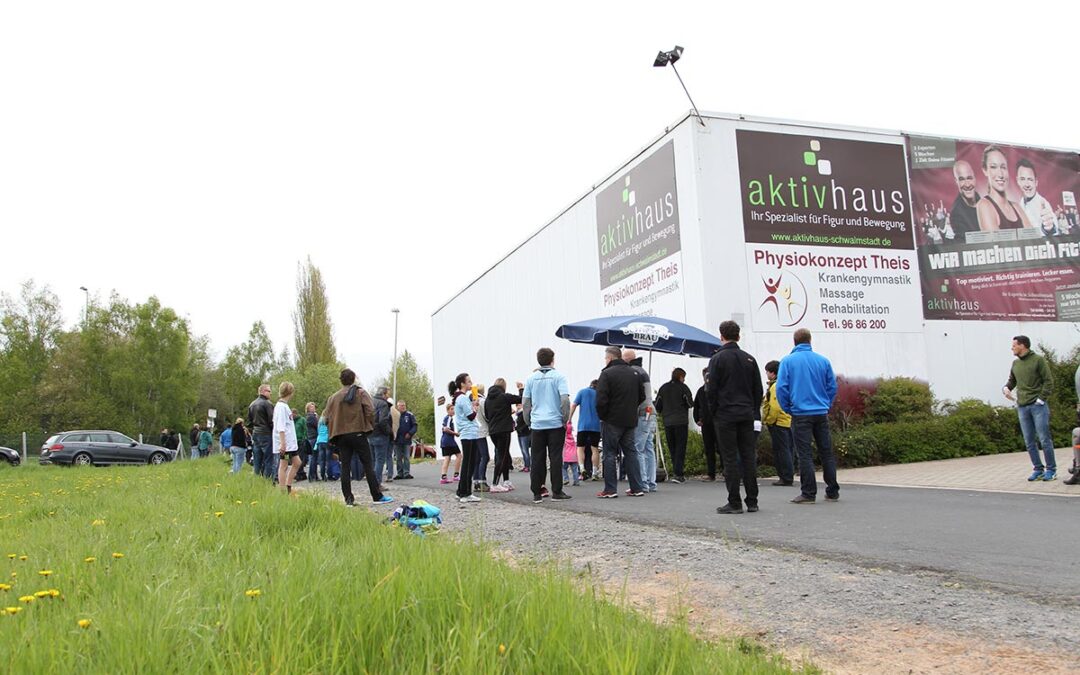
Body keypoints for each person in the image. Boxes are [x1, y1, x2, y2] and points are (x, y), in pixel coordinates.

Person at [776, 328, 840, 504]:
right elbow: (832, 386)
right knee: (826, 452)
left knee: (804, 454)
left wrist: (788, 408)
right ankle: (832, 491)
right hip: (820, 412)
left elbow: (781, 388)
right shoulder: (823, 361)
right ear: (810, 341)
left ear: (794, 341)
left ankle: (808, 493)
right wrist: (826, 403)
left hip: (800, 413)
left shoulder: (787, 361)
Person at [707, 320, 763, 514]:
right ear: (738, 336)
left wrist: (714, 411)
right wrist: (753, 410)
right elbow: (758, 390)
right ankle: (752, 501)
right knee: (748, 456)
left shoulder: (717, 359)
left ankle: (734, 501)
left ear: (721, 336)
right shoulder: (749, 359)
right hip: (746, 413)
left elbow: (711, 390)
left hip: (726, 414)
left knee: (730, 458)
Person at [323, 368, 392, 506]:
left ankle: (348, 500)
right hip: (358, 432)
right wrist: (369, 425)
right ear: (353, 379)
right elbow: (371, 411)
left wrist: (334, 430)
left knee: (345, 467)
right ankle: (377, 496)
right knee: (368, 464)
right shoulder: (360, 393)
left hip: (340, 435)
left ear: (341, 380)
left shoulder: (333, 398)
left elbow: (326, 417)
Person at [1003, 335, 1056, 481]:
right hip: (1022, 407)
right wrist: (1006, 388)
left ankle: (1051, 470)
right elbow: (1012, 381)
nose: (1012, 348)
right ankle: (1038, 469)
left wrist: (1041, 399)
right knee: (1029, 441)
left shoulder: (1038, 360)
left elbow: (1049, 381)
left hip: (1038, 406)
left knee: (1044, 439)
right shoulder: (1015, 364)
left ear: (1022, 346)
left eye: (1014, 345)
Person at [523, 347, 572, 504]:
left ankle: (537, 493)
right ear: (552, 360)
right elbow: (565, 400)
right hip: (555, 423)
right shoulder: (559, 377)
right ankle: (557, 491)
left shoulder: (531, 379)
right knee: (556, 457)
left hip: (537, 424)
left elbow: (526, 403)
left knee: (537, 458)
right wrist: (565, 419)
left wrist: (528, 421)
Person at [595, 345, 646, 498]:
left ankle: (610, 489)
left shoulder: (606, 374)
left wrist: (603, 415)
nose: (605, 361)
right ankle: (637, 487)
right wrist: (630, 408)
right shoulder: (634, 373)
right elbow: (642, 396)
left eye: (605, 358)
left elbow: (601, 399)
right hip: (630, 419)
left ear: (610, 358)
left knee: (609, 453)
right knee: (631, 453)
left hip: (611, 420)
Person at [976, 145, 1034, 231]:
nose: (1000, 174)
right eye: (993, 167)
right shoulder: (984, 205)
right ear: (985, 170)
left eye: (1003, 167)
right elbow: (996, 240)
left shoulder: (1016, 207)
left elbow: (1033, 236)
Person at [623, 349, 657, 492]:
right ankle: (651, 482)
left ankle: (642, 483)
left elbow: (635, 395)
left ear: (626, 359)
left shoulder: (633, 372)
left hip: (642, 413)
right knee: (648, 448)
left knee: (638, 448)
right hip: (651, 411)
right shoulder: (642, 371)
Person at [656, 367, 694, 484]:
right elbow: (690, 403)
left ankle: (675, 472)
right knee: (680, 447)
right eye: (684, 377)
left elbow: (657, 406)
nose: (684, 380)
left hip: (668, 421)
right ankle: (679, 474)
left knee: (672, 447)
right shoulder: (683, 388)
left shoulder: (663, 388)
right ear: (681, 377)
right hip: (681, 421)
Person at [485, 378, 523, 491]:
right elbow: (521, 399)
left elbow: (487, 415)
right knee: (502, 456)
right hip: (504, 430)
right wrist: (521, 389)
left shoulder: (488, 400)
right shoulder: (504, 397)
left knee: (504, 455)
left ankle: (506, 481)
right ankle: (495, 483)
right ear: (504, 387)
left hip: (493, 430)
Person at [762, 360, 794, 486]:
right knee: (788, 448)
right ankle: (788, 475)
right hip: (787, 420)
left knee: (781, 450)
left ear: (773, 373)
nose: (766, 374)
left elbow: (775, 407)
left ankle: (785, 477)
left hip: (778, 422)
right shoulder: (786, 383)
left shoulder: (775, 387)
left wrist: (769, 420)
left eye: (767, 372)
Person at [452, 374, 483, 503]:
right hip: (469, 433)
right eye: (469, 381)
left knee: (467, 462)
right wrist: (475, 408)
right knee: (469, 464)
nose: (471, 383)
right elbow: (470, 416)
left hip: (467, 433)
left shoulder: (459, 398)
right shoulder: (463, 398)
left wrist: (472, 405)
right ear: (462, 384)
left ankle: (461, 491)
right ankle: (466, 493)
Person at [1015, 159, 1058, 236]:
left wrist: (1049, 229)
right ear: (1018, 181)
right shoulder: (1020, 203)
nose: (1027, 184)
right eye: (1022, 179)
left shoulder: (1043, 203)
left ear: (1036, 182)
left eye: (1030, 179)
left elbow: (1053, 229)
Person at [570, 380, 601, 481]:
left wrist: (569, 419)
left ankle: (582, 468)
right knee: (594, 449)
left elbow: (573, 405)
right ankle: (595, 473)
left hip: (583, 425)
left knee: (580, 448)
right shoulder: (599, 395)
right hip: (596, 426)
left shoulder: (582, 392)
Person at [692, 367, 720, 481]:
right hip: (706, 423)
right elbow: (696, 406)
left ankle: (726, 471)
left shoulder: (719, 389)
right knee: (709, 449)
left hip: (719, 422)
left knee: (722, 447)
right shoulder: (701, 391)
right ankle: (711, 473)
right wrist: (697, 419)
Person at [247, 384, 275, 479]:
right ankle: (267, 480)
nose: (270, 393)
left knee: (257, 459)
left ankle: (256, 479)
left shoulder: (252, 404)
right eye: (269, 391)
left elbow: (249, 421)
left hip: (256, 433)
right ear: (263, 391)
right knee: (268, 459)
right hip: (266, 433)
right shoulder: (267, 404)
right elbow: (271, 420)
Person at [948, 159, 982, 237]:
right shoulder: (956, 214)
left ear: (974, 178)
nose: (967, 185)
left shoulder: (981, 200)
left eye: (969, 178)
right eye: (962, 179)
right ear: (956, 181)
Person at [370, 386, 394, 487]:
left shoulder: (370, 402)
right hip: (380, 435)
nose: (388, 396)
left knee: (373, 460)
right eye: (387, 393)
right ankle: (377, 484)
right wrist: (389, 432)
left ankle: (372, 483)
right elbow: (382, 421)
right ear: (384, 394)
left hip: (370, 434)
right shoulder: (383, 404)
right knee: (380, 461)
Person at [473, 384, 492, 493]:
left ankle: (476, 481)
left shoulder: (471, 401)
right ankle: (482, 481)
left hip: (474, 431)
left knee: (477, 458)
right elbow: (486, 415)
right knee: (485, 457)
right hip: (481, 431)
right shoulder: (482, 401)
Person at [392, 400, 417, 480]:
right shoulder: (395, 415)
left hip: (406, 440)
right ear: (397, 407)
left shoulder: (409, 415)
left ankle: (406, 473)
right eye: (401, 405)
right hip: (397, 440)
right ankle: (399, 473)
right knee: (398, 457)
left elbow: (415, 426)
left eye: (404, 405)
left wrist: (410, 433)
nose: (403, 407)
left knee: (406, 457)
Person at [439, 403, 461, 484]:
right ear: (447, 410)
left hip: (444, 441)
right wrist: (455, 433)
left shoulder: (447, 418)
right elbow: (446, 429)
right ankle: (456, 475)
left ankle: (443, 477)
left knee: (447, 458)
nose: (453, 411)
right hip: (449, 441)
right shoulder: (448, 418)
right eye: (451, 409)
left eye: (454, 409)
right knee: (459, 455)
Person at [310, 415, 329, 481]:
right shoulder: (328, 423)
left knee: (322, 460)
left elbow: (318, 432)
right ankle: (329, 474)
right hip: (326, 441)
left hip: (319, 441)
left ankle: (323, 476)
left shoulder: (319, 424)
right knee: (328, 459)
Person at [562, 421, 581, 486]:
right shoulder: (573, 438)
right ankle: (576, 481)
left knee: (563, 468)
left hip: (566, 457)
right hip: (574, 457)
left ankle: (566, 479)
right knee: (575, 470)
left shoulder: (564, 439)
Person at [304, 403, 319, 479]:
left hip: (310, 437)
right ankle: (313, 475)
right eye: (312, 407)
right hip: (313, 437)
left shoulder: (307, 417)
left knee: (312, 457)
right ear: (308, 409)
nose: (314, 408)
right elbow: (317, 425)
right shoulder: (311, 417)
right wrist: (317, 418)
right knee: (314, 457)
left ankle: (312, 475)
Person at [515, 406, 531, 472]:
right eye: (516, 405)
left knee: (525, 451)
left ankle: (527, 466)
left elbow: (527, 423)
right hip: (519, 434)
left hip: (525, 434)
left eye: (519, 405)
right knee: (523, 451)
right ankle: (526, 465)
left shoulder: (524, 413)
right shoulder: (517, 414)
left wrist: (520, 428)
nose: (517, 406)